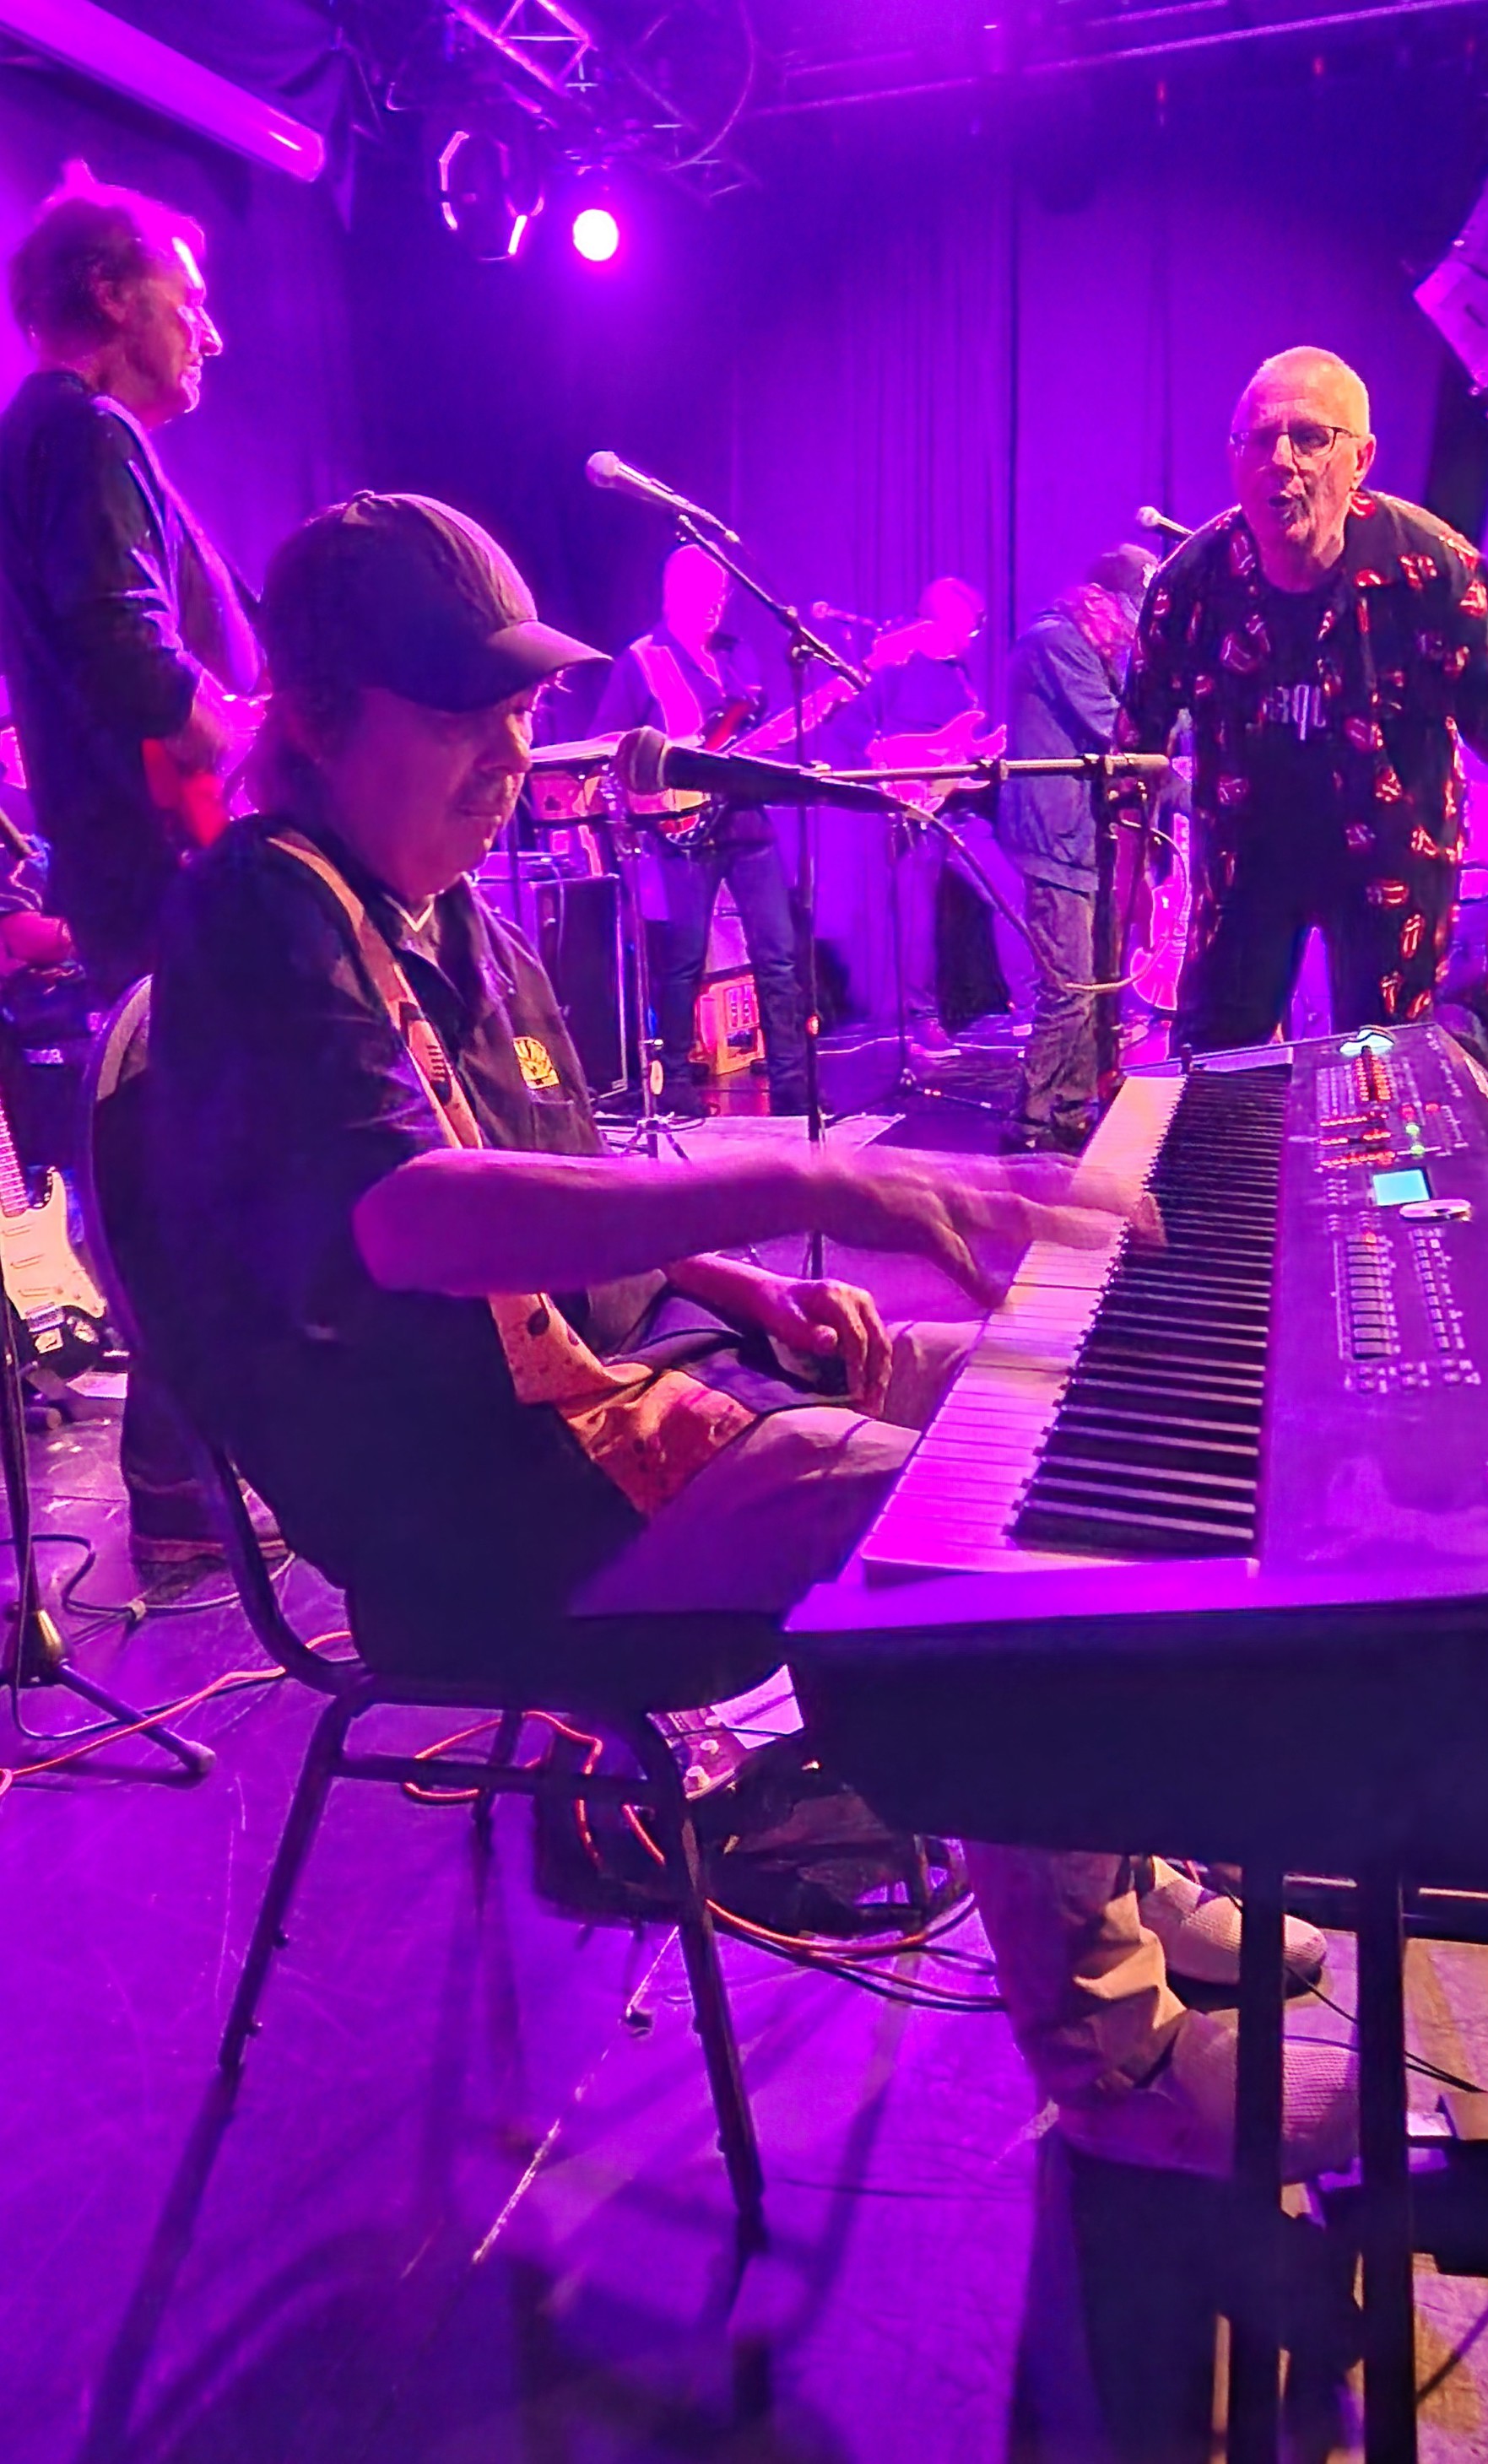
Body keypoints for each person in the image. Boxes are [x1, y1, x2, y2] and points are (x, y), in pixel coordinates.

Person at [141, 491, 1352, 2182]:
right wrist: (809, 1181)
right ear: (326, 716)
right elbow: (410, 1219)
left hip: (635, 1400)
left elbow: (569, 1178)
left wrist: (749, 1287)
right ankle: (1116, 2062)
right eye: (466, 712)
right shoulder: (263, 916)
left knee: (1068, 1404)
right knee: (1002, 1536)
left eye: (524, 708)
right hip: (491, 1506)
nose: (513, 753)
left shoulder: (450, 910)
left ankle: (1125, 1865)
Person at [0, 166, 265, 1564]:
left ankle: (185, 1485)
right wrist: (264, 743)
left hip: (141, 869)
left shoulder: (52, 434)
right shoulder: (84, 428)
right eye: (189, 299)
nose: (209, 331)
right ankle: (180, 1485)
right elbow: (132, 653)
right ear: (110, 295)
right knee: (216, 1178)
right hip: (174, 872)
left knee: (199, 1174)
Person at [1117, 345, 1488, 1046]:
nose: (1280, 460)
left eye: (1310, 438)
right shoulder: (1190, 584)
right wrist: (1130, 878)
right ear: (1234, 459)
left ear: (1362, 459)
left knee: (1384, 1066)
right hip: (1246, 857)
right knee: (1215, 1061)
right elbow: (1133, 747)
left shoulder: (1435, 570)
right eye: (1258, 439)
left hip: (1393, 855)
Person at [594, 544, 807, 1114]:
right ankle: (675, 1080)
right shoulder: (642, 660)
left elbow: (753, 735)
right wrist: (668, 766)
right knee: (684, 957)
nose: (716, 604)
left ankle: (790, 1081)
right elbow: (609, 742)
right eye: (704, 593)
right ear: (673, 594)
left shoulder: (739, 656)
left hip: (747, 821)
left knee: (779, 954)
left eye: (722, 594)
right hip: (682, 827)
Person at [997, 544, 1155, 1152]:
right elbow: (1115, 727)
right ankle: (1028, 1121)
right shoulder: (1055, 642)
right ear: (1103, 600)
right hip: (1052, 837)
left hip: (1083, 839)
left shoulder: (1093, 648)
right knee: (1069, 992)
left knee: (1094, 988)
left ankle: (1070, 1110)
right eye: (1133, 613)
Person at [852, 574, 1009, 1059]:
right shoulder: (895, 667)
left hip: (958, 809)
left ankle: (1029, 1004)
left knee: (1008, 892)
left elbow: (960, 746)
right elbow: (857, 731)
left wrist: (983, 754)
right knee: (917, 920)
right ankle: (922, 1020)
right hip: (913, 810)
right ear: (941, 623)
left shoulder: (959, 674)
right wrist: (900, 772)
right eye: (968, 628)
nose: (972, 638)